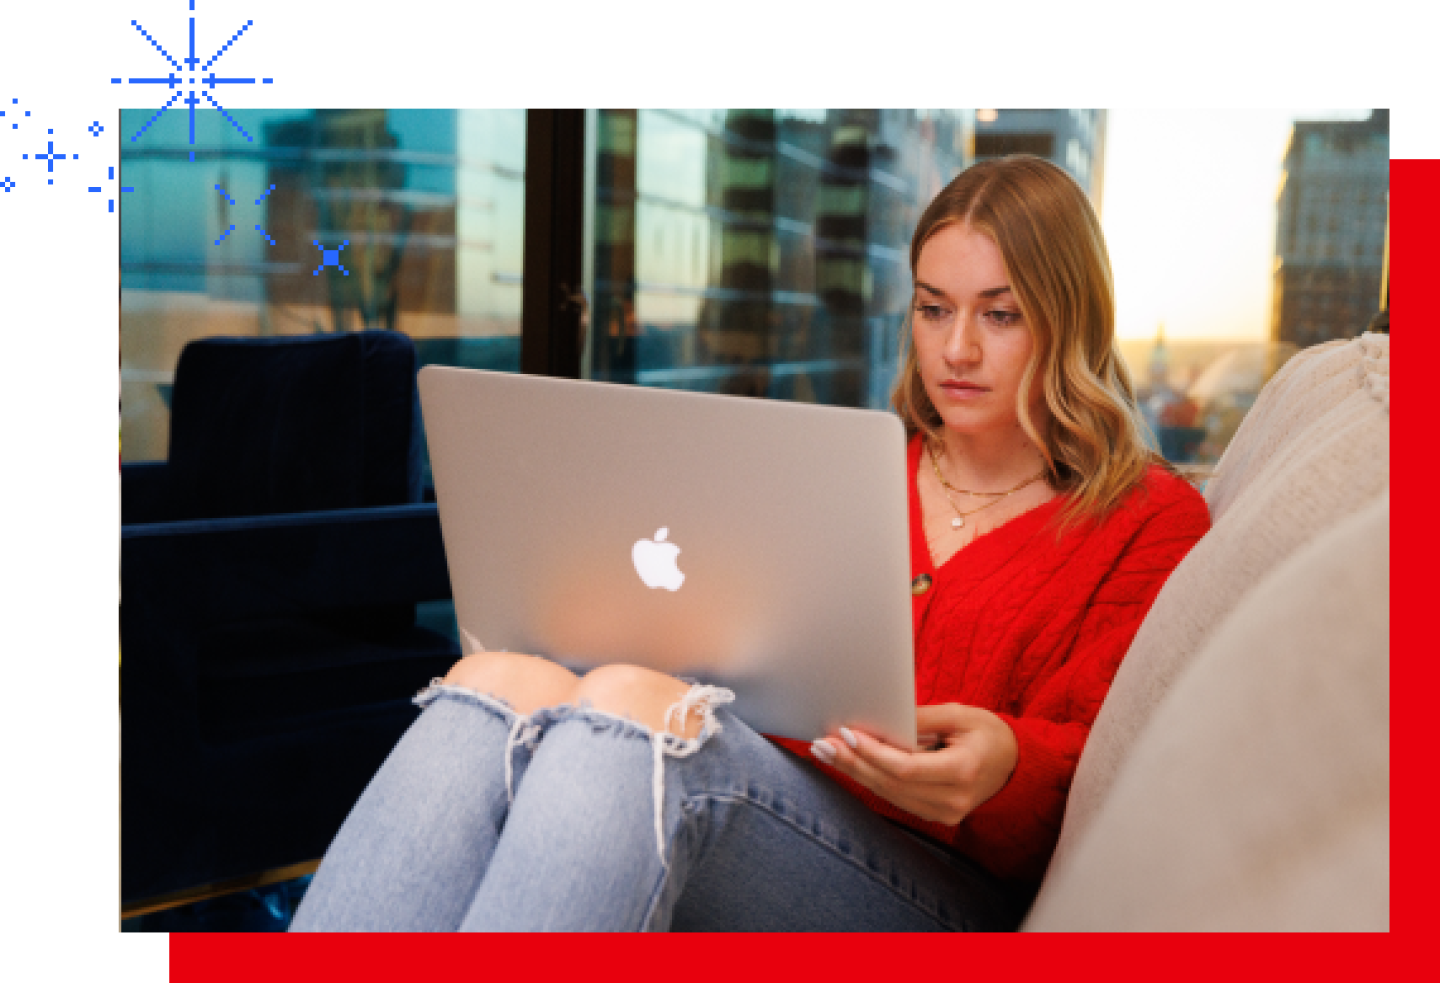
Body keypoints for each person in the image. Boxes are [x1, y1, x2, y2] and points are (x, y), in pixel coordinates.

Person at [290, 155, 1211, 933]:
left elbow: (1120, 768)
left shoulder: (1147, 520)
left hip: (936, 886)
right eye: (933, 309)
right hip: (765, 804)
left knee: (636, 715)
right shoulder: (842, 470)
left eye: (999, 314)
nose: (957, 348)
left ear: (1070, 318)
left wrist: (1008, 761)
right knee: (498, 683)